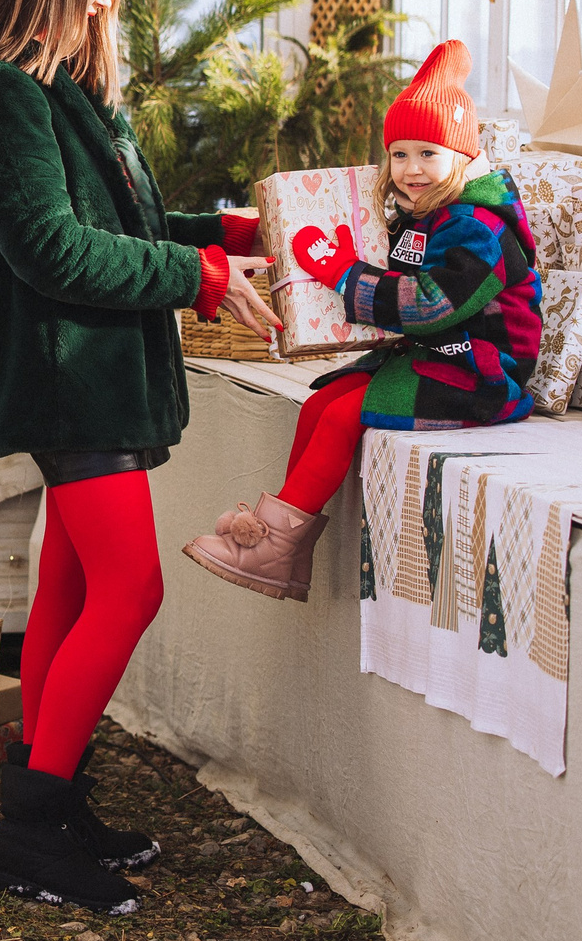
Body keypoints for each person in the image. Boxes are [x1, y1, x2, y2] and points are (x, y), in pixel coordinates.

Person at [0, 0, 279, 917]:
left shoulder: (56, 90)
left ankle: (56, 792)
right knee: (130, 590)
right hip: (61, 376)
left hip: (87, 371)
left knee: (73, 592)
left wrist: (227, 231)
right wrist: (197, 276)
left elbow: (113, 217)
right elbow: (51, 249)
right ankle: (26, 838)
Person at [184, 39, 543, 599]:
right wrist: (347, 245)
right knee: (322, 400)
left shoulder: (481, 227)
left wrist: (345, 272)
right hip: (434, 354)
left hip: (483, 371)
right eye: (399, 154)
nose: (411, 169)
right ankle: (279, 544)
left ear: (465, 155)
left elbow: (431, 305)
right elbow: (395, 269)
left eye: (429, 153)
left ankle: (274, 545)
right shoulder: (427, 215)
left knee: (346, 414)